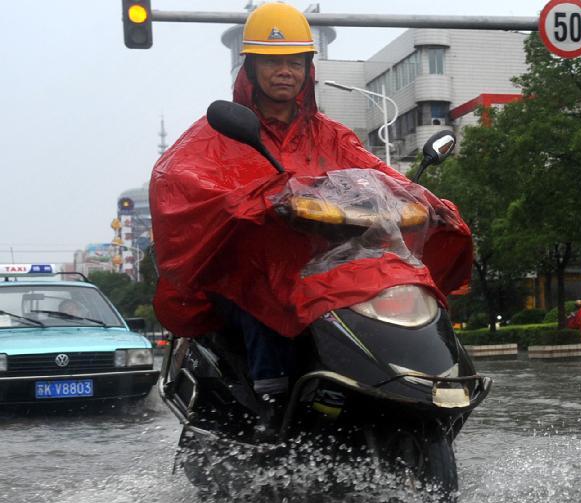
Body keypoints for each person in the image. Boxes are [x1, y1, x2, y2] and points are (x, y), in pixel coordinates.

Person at [149, 3, 473, 403]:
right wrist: (253, 202)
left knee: (402, 281)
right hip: (251, 267)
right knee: (261, 292)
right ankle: (271, 401)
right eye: (273, 62)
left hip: (332, 264)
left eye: (295, 62)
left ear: (308, 70)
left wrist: (424, 199)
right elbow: (180, 182)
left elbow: (379, 175)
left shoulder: (331, 135)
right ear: (250, 68)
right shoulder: (219, 134)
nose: (285, 71)